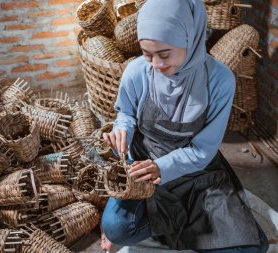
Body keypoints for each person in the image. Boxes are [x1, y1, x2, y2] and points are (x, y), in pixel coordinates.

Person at [101, 0, 269, 252]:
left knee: (251, 248)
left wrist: (164, 167)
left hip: (196, 170)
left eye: (165, 54)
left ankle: (179, 227)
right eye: (148, 54)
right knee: (117, 228)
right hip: (143, 167)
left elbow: (202, 150)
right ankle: (169, 226)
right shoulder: (136, 71)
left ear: (190, 37)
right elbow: (126, 113)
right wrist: (122, 129)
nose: (156, 65)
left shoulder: (220, 80)